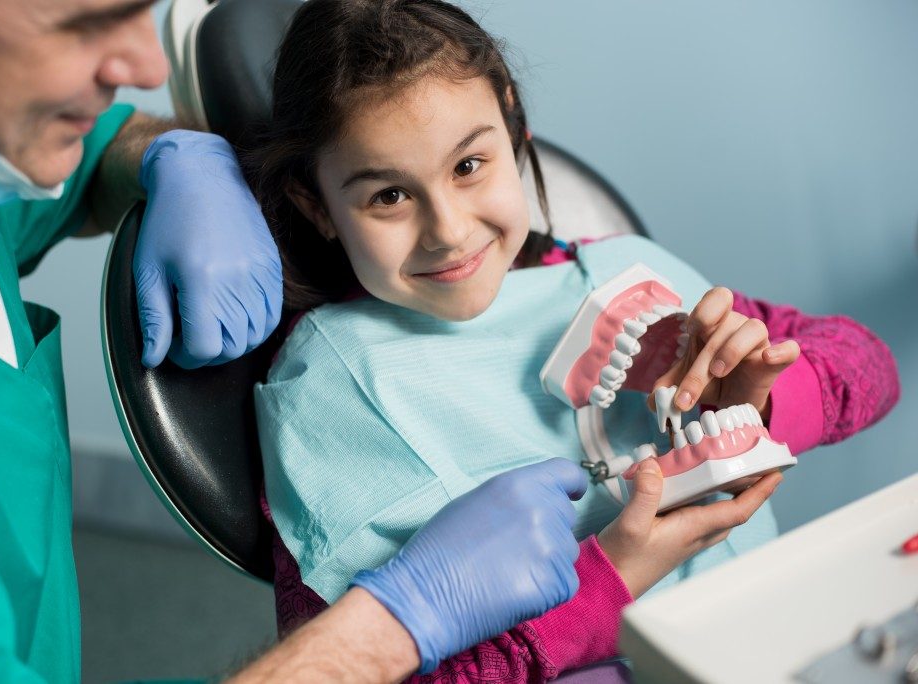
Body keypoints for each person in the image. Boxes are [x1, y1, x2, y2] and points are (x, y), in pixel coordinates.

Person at [0, 1, 601, 682]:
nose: (145, 64)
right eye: (82, 24)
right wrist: (400, 621)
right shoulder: (330, 388)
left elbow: (96, 149)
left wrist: (172, 155)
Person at [249, 0, 902, 680]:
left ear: (512, 121)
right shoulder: (330, 391)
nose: (447, 229)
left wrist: (761, 405)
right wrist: (609, 581)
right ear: (315, 204)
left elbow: (870, 365)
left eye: (468, 166)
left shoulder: (615, 268)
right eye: (388, 196)